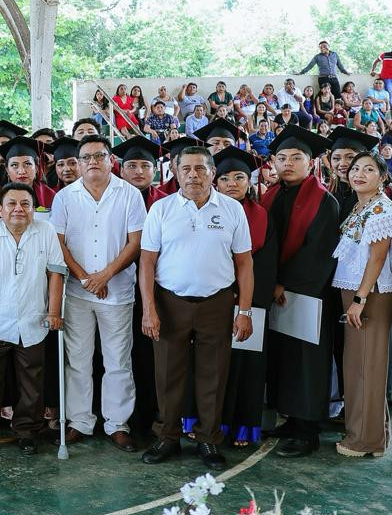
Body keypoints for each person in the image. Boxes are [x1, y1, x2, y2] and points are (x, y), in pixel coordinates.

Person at [139, 146, 254, 471]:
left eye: (200, 168)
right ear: (175, 173)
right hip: (170, 302)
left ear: (212, 173)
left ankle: (208, 439)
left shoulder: (232, 209)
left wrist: (244, 311)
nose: (193, 175)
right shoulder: (161, 209)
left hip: (217, 302)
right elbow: (146, 263)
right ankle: (168, 437)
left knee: (213, 374)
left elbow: (244, 263)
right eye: (186, 169)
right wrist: (149, 308)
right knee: (167, 374)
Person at [50, 135, 146, 451]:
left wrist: (105, 275)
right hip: (77, 293)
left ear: (110, 161)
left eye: (99, 155)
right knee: (78, 359)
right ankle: (79, 421)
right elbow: (58, 244)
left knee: (117, 360)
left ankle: (117, 424)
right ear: (78, 163)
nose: (93, 161)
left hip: (117, 292)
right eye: (87, 157)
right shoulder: (65, 197)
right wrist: (85, 278)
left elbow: (135, 243)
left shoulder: (129, 194)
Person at [0, 182, 65, 453]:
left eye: (25, 204)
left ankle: (27, 431)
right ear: (0, 209)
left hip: (33, 321)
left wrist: (54, 312)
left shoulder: (46, 231)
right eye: (12, 203)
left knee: (32, 382)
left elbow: (56, 273)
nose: (18, 209)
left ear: (33, 209)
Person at [261, 125, 342, 459]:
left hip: (309, 293)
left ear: (311, 162)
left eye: (296, 157)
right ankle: (291, 420)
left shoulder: (324, 201)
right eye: (281, 158)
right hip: (276, 292)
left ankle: (308, 431)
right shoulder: (271, 196)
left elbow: (319, 252)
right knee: (284, 357)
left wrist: (284, 283)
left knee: (307, 361)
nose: (288, 164)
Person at [198, 147, 278, 448]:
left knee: (247, 365)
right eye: (225, 178)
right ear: (215, 181)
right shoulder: (203, 212)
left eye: (239, 177)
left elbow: (266, 265)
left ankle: (242, 427)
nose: (232, 183)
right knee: (211, 364)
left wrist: (245, 299)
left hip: (249, 302)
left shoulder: (263, 217)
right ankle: (209, 424)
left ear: (249, 181)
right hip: (213, 300)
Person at [331, 152, 392, 459]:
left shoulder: (382, 209)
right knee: (358, 364)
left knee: (367, 367)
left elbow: (378, 258)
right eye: (355, 168)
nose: (359, 174)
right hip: (355, 291)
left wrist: (360, 299)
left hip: (371, 294)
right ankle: (370, 434)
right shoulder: (362, 206)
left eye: (368, 169)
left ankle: (366, 440)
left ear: (382, 177)